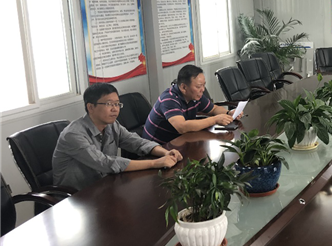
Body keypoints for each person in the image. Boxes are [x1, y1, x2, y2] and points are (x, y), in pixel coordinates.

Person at [52, 84, 183, 191]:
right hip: (76, 197)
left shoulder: (112, 125)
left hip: (104, 187)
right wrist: (155, 163)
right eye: (109, 104)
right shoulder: (73, 135)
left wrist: (166, 153)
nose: (115, 109)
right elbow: (105, 163)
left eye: (117, 104)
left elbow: (137, 142)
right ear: (90, 107)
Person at [143, 64, 238, 144]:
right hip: (157, 147)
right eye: (199, 86)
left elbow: (213, 109)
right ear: (184, 87)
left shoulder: (195, 96)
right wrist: (215, 120)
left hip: (179, 141)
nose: (203, 89)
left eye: (204, 85)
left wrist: (228, 113)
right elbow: (182, 127)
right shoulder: (169, 99)